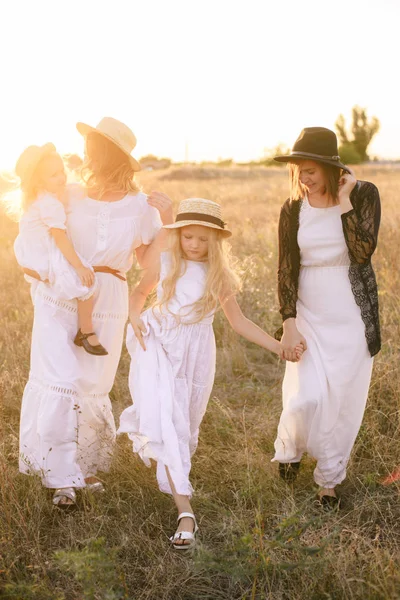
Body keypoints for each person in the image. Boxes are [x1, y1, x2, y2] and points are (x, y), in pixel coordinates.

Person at [118, 198, 303, 549]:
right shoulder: (167, 261)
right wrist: (135, 316)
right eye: (189, 237)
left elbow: (239, 322)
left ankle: (177, 480)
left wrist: (277, 347)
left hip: (195, 353)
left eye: (203, 239)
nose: (195, 245)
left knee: (183, 425)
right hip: (158, 346)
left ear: (215, 241)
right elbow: (140, 292)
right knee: (167, 423)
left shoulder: (217, 276)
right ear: (179, 235)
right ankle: (185, 513)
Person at [18, 117, 173, 509]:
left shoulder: (140, 206)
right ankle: (59, 474)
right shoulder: (70, 194)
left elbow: (148, 262)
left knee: (90, 383)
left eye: (92, 147)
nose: (85, 153)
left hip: (109, 297)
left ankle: (81, 466)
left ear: (107, 155)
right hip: (62, 294)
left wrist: (168, 222)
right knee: (59, 377)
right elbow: (40, 222)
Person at [272, 127, 381, 508]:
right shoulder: (293, 208)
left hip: (350, 312)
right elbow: (286, 267)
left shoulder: (364, 194)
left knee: (343, 398)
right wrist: (289, 322)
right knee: (307, 396)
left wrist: (347, 199)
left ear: (330, 167)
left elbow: (362, 251)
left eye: (310, 168)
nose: (303, 176)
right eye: (298, 168)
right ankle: (292, 447)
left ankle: (329, 481)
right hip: (309, 310)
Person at [13, 143, 107, 356]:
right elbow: (60, 238)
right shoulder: (49, 204)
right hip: (44, 254)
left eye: (61, 171)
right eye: (53, 175)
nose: (61, 177)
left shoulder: (38, 199)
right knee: (87, 285)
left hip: (33, 252)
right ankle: (86, 331)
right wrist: (80, 266)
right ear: (39, 181)